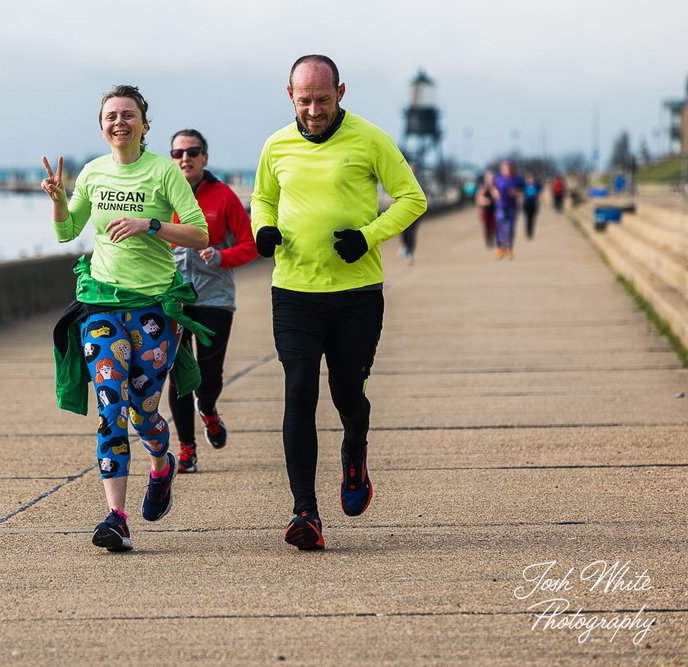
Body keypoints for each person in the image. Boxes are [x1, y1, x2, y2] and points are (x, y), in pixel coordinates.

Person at [251, 55, 427, 550]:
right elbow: (262, 198)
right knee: (299, 391)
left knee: (348, 391)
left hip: (356, 296)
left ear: (341, 93)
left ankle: (355, 450)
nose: (313, 110)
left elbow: (413, 198)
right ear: (290, 96)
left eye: (322, 100)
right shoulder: (276, 144)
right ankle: (304, 511)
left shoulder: (370, 139)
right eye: (304, 100)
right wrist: (261, 229)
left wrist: (368, 237)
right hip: (294, 293)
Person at [43, 85, 210, 553]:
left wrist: (151, 225)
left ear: (144, 123)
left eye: (128, 114)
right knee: (110, 405)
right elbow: (67, 231)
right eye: (111, 115)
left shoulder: (163, 172)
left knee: (143, 410)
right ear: (102, 125)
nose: (119, 122)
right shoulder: (93, 173)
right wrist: (58, 200)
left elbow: (200, 233)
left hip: (155, 307)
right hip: (100, 303)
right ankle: (116, 517)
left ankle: (161, 464)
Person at [166, 129, 258, 474]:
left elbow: (250, 245)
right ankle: (186, 450)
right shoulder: (163, 195)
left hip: (215, 298)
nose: (184, 158)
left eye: (192, 152)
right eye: (177, 153)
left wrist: (220, 256)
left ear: (205, 157)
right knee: (178, 375)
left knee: (208, 375)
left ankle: (209, 409)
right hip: (173, 298)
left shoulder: (224, 197)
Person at [492, 159, 523, 259]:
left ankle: (509, 248)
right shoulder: (497, 178)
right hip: (500, 206)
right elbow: (492, 188)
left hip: (512, 207)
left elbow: (522, 192)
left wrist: (516, 193)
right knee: (500, 227)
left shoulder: (517, 179)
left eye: (509, 168)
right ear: (502, 168)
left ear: (512, 168)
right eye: (505, 168)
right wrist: (495, 192)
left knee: (510, 228)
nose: (507, 169)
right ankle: (500, 248)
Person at [475, 170, 498, 248]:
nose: (491, 180)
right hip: (486, 211)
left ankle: (492, 238)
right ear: (486, 179)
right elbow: (478, 200)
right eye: (489, 178)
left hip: (495, 210)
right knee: (487, 227)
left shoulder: (496, 188)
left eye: (492, 178)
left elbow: (499, 198)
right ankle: (488, 240)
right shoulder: (482, 188)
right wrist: (484, 201)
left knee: (495, 226)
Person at [522, 172, 542, 240]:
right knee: (527, 219)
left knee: (532, 219)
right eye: (530, 179)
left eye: (532, 179)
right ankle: (528, 232)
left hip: (534, 204)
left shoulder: (537, 186)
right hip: (526, 204)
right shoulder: (525, 185)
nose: (531, 180)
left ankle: (531, 232)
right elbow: (521, 192)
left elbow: (539, 194)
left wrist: (539, 201)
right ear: (527, 179)